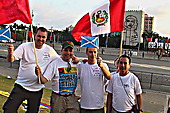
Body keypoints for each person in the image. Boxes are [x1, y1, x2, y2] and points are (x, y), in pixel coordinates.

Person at [3, 27, 60, 113]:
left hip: (37, 90)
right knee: (9, 109)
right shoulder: (24, 46)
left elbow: (60, 60)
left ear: (46, 38)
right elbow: (11, 59)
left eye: (43, 37)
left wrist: (73, 58)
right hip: (21, 86)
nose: (40, 39)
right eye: (39, 36)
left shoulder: (49, 50)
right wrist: (10, 52)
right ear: (34, 36)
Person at [35, 41, 80, 113]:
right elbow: (44, 80)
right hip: (58, 98)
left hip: (72, 98)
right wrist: (39, 74)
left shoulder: (77, 64)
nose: (68, 53)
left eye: (70, 50)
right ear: (62, 51)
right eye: (66, 50)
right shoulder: (55, 64)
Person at [78, 47, 111, 113]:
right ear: (86, 53)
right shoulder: (81, 66)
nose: (93, 54)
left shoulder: (103, 65)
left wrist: (101, 66)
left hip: (98, 106)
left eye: (95, 52)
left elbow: (109, 77)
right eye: (90, 52)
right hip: (84, 105)